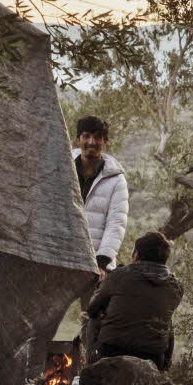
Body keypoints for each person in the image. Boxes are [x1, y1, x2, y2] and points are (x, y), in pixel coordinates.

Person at [86, 231, 183, 370]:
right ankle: (164, 371)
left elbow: (92, 309)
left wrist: (102, 288)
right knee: (168, 322)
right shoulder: (176, 286)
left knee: (94, 318)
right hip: (153, 357)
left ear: (136, 254)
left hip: (111, 351)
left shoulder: (119, 275)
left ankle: (92, 367)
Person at [73, 115, 130, 272]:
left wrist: (102, 262)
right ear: (78, 139)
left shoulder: (116, 179)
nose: (91, 142)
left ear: (105, 141)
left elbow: (116, 223)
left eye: (98, 137)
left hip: (96, 265)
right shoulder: (63, 167)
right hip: (62, 258)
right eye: (86, 136)